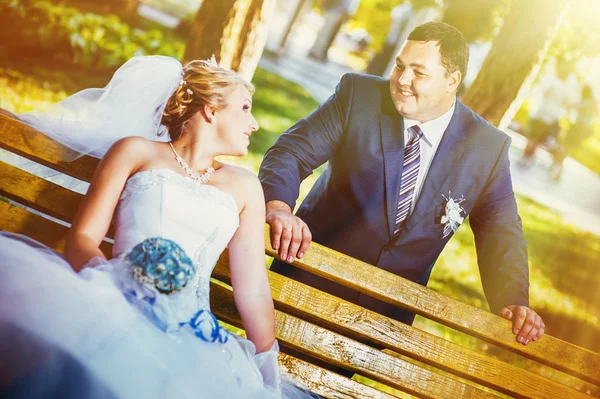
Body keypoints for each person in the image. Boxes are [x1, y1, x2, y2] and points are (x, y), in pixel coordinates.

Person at [0, 56, 318, 399]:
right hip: (113, 301)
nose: (254, 123)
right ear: (211, 110)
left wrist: (266, 371)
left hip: (189, 332)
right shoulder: (135, 151)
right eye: (245, 108)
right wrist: (120, 288)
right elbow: (83, 238)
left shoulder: (245, 187)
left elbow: (253, 290)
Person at [259, 22, 545, 346]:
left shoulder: (487, 148)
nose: (402, 81)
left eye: (418, 72)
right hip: (307, 282)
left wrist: (513, 299)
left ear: (452, 81)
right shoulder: (359, 96)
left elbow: (500, 227)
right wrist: (279, 209)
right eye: (399, 66)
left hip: (383, 321)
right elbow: (291, 152)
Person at [549, 85, 597, 181]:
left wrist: (567, 103)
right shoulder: (593, 103)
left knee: (564, 149)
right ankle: (557, 169)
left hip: (578, 130)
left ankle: (557, 170)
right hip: (582, 131)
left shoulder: (587, 102)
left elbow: (575, 106)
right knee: (565, 151)